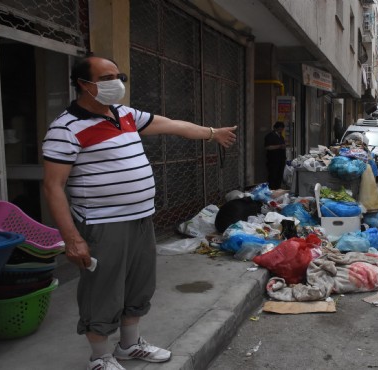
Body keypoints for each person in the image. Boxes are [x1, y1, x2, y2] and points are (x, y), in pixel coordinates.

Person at [42, 56, 237, 370]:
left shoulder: (125, 114)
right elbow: (53, 186)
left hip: (140, 217)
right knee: (102, 288)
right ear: (83, 84)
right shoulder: (65, 127)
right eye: (106, 78)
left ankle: (129, 346)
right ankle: (100, 358)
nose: (115, 83)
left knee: (139, 284)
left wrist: (211, 132)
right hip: (102, 223)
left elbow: (172, 125)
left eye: (119, 76)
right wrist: (72, 238)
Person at [264, 121, 287, 189]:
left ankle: (277, 189)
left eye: (282, 129)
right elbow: (267, 147)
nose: (280, 130)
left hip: (281, 160)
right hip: (273, 160)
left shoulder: (281, 137)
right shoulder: (269, 136)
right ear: (275, 128)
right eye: (279, 129)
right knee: (273, 176)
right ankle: (271, 189)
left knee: (279, 176)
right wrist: (279, 146)